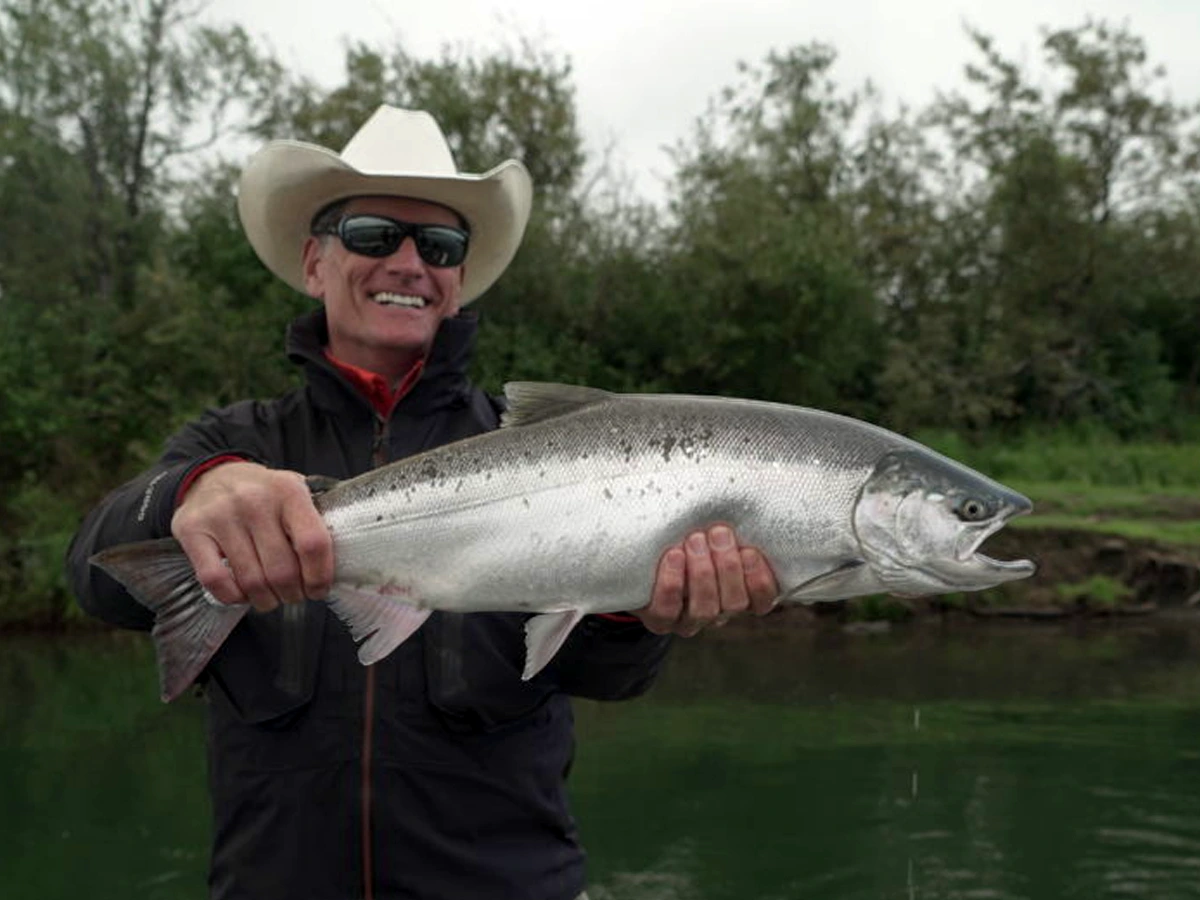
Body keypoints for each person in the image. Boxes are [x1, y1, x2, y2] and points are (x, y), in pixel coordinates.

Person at [66, 106, 778, 900]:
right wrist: (189, 493)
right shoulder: (234, 442)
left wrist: (639, 609)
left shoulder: (550, 451)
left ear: (458, 279)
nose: (408, 262)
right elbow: (95, 576)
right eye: (374, 233)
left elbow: (606, 678)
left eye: (439, 246)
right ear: (314, 261)